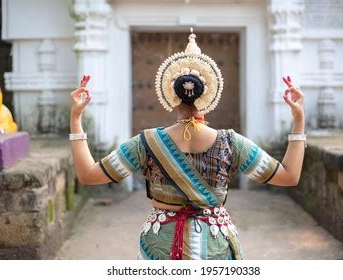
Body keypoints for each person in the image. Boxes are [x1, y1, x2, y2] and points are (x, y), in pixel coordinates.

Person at [69, 30, 306, 260]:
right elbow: (288, 176)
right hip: (214, 248)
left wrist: (76, 120)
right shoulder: (231, 143)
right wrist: (299, 120)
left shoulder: (146, 142)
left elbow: (89, 175)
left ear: (171, 95)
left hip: (161, 246)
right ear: (210, 95)